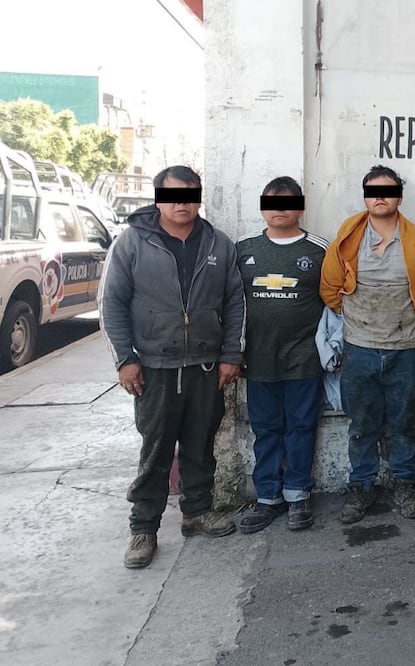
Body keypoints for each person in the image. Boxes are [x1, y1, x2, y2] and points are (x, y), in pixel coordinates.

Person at [99, 165, 245, 569]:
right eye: (173, 196)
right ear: (158, 198)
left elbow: (235, 301)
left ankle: (197, 513)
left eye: (190, 195)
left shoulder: (218, 244)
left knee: (201, 443)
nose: (182, 203)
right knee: (156, 448)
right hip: (154, 365)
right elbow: (110, 302)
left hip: (204, 364)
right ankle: (143, 526)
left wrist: (231, 354)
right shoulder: (132, 243)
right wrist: (125, 359)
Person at [320, 165, 415, 522]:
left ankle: (406, 485)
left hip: (407, 348)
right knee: (362, 424)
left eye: (387, 191)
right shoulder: (347, 239)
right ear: (365, 196)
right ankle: (361, 487)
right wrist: (357, 319)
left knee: (404, 422)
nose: (380, 196)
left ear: (399, 197)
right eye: (372, 190)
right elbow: (329, 289)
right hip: (359, 348)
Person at [235, 177, 328, 533]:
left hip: (304, 358)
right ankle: (268, 497)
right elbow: (230, 304)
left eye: (288, 202)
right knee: (266, 429)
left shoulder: (320, 250)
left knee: (302, 426)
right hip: (258, 359)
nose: (280, 208)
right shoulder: (243, 250)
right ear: (263, 207)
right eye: (272, 202)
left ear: (300, 208)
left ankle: (298, 494)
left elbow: (334, 302)